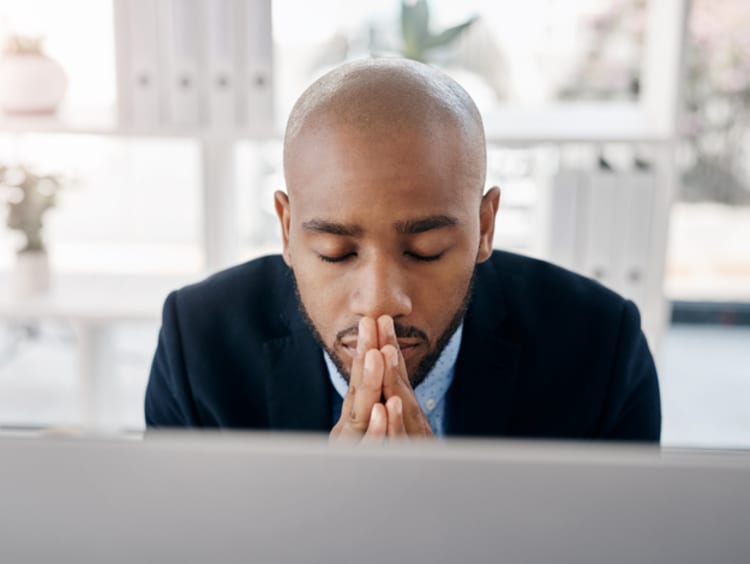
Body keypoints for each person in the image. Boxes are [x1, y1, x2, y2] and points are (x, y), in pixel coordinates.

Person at [145, 58, 661, 442]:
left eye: (426, 250)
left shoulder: (601, 350)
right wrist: (317, 514)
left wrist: (439, 516)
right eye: (335, 252)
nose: (379, 301)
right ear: (286, 229)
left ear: (485, 227)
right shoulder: (198, 346)